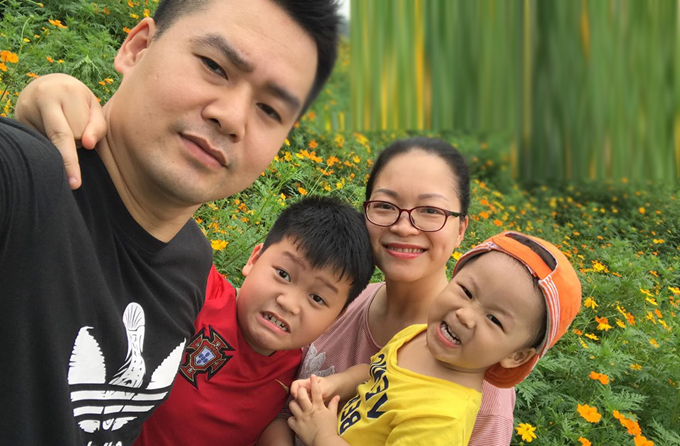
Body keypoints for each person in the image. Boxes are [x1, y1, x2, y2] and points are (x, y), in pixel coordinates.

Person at [1, 1, 341, 445]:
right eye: (214, 66)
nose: (232, 118)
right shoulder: (23, 181)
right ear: (138, 47)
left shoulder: (191, 261)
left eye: (270, 109)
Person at [257, 137, 518, 446]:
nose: (404, 227)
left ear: (461, 228)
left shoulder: (480, 381)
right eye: (385, 206)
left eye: (430, 210)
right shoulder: (336, 298)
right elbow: (279, 407)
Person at [287, 231, 582, 446]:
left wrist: (322, 435)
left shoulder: (442, 419)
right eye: (466, 292)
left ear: (516, 356)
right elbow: (376, 373)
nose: (465, 315)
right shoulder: (419, 336)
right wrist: (335, 384)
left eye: (494, 319)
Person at [133, 196, 374, 446]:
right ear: (254, 259)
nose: (289, 304)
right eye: (283, 274)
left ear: (337, 317)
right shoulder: (199, 291)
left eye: (317, 298)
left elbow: (380, 376)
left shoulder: (295, 376)